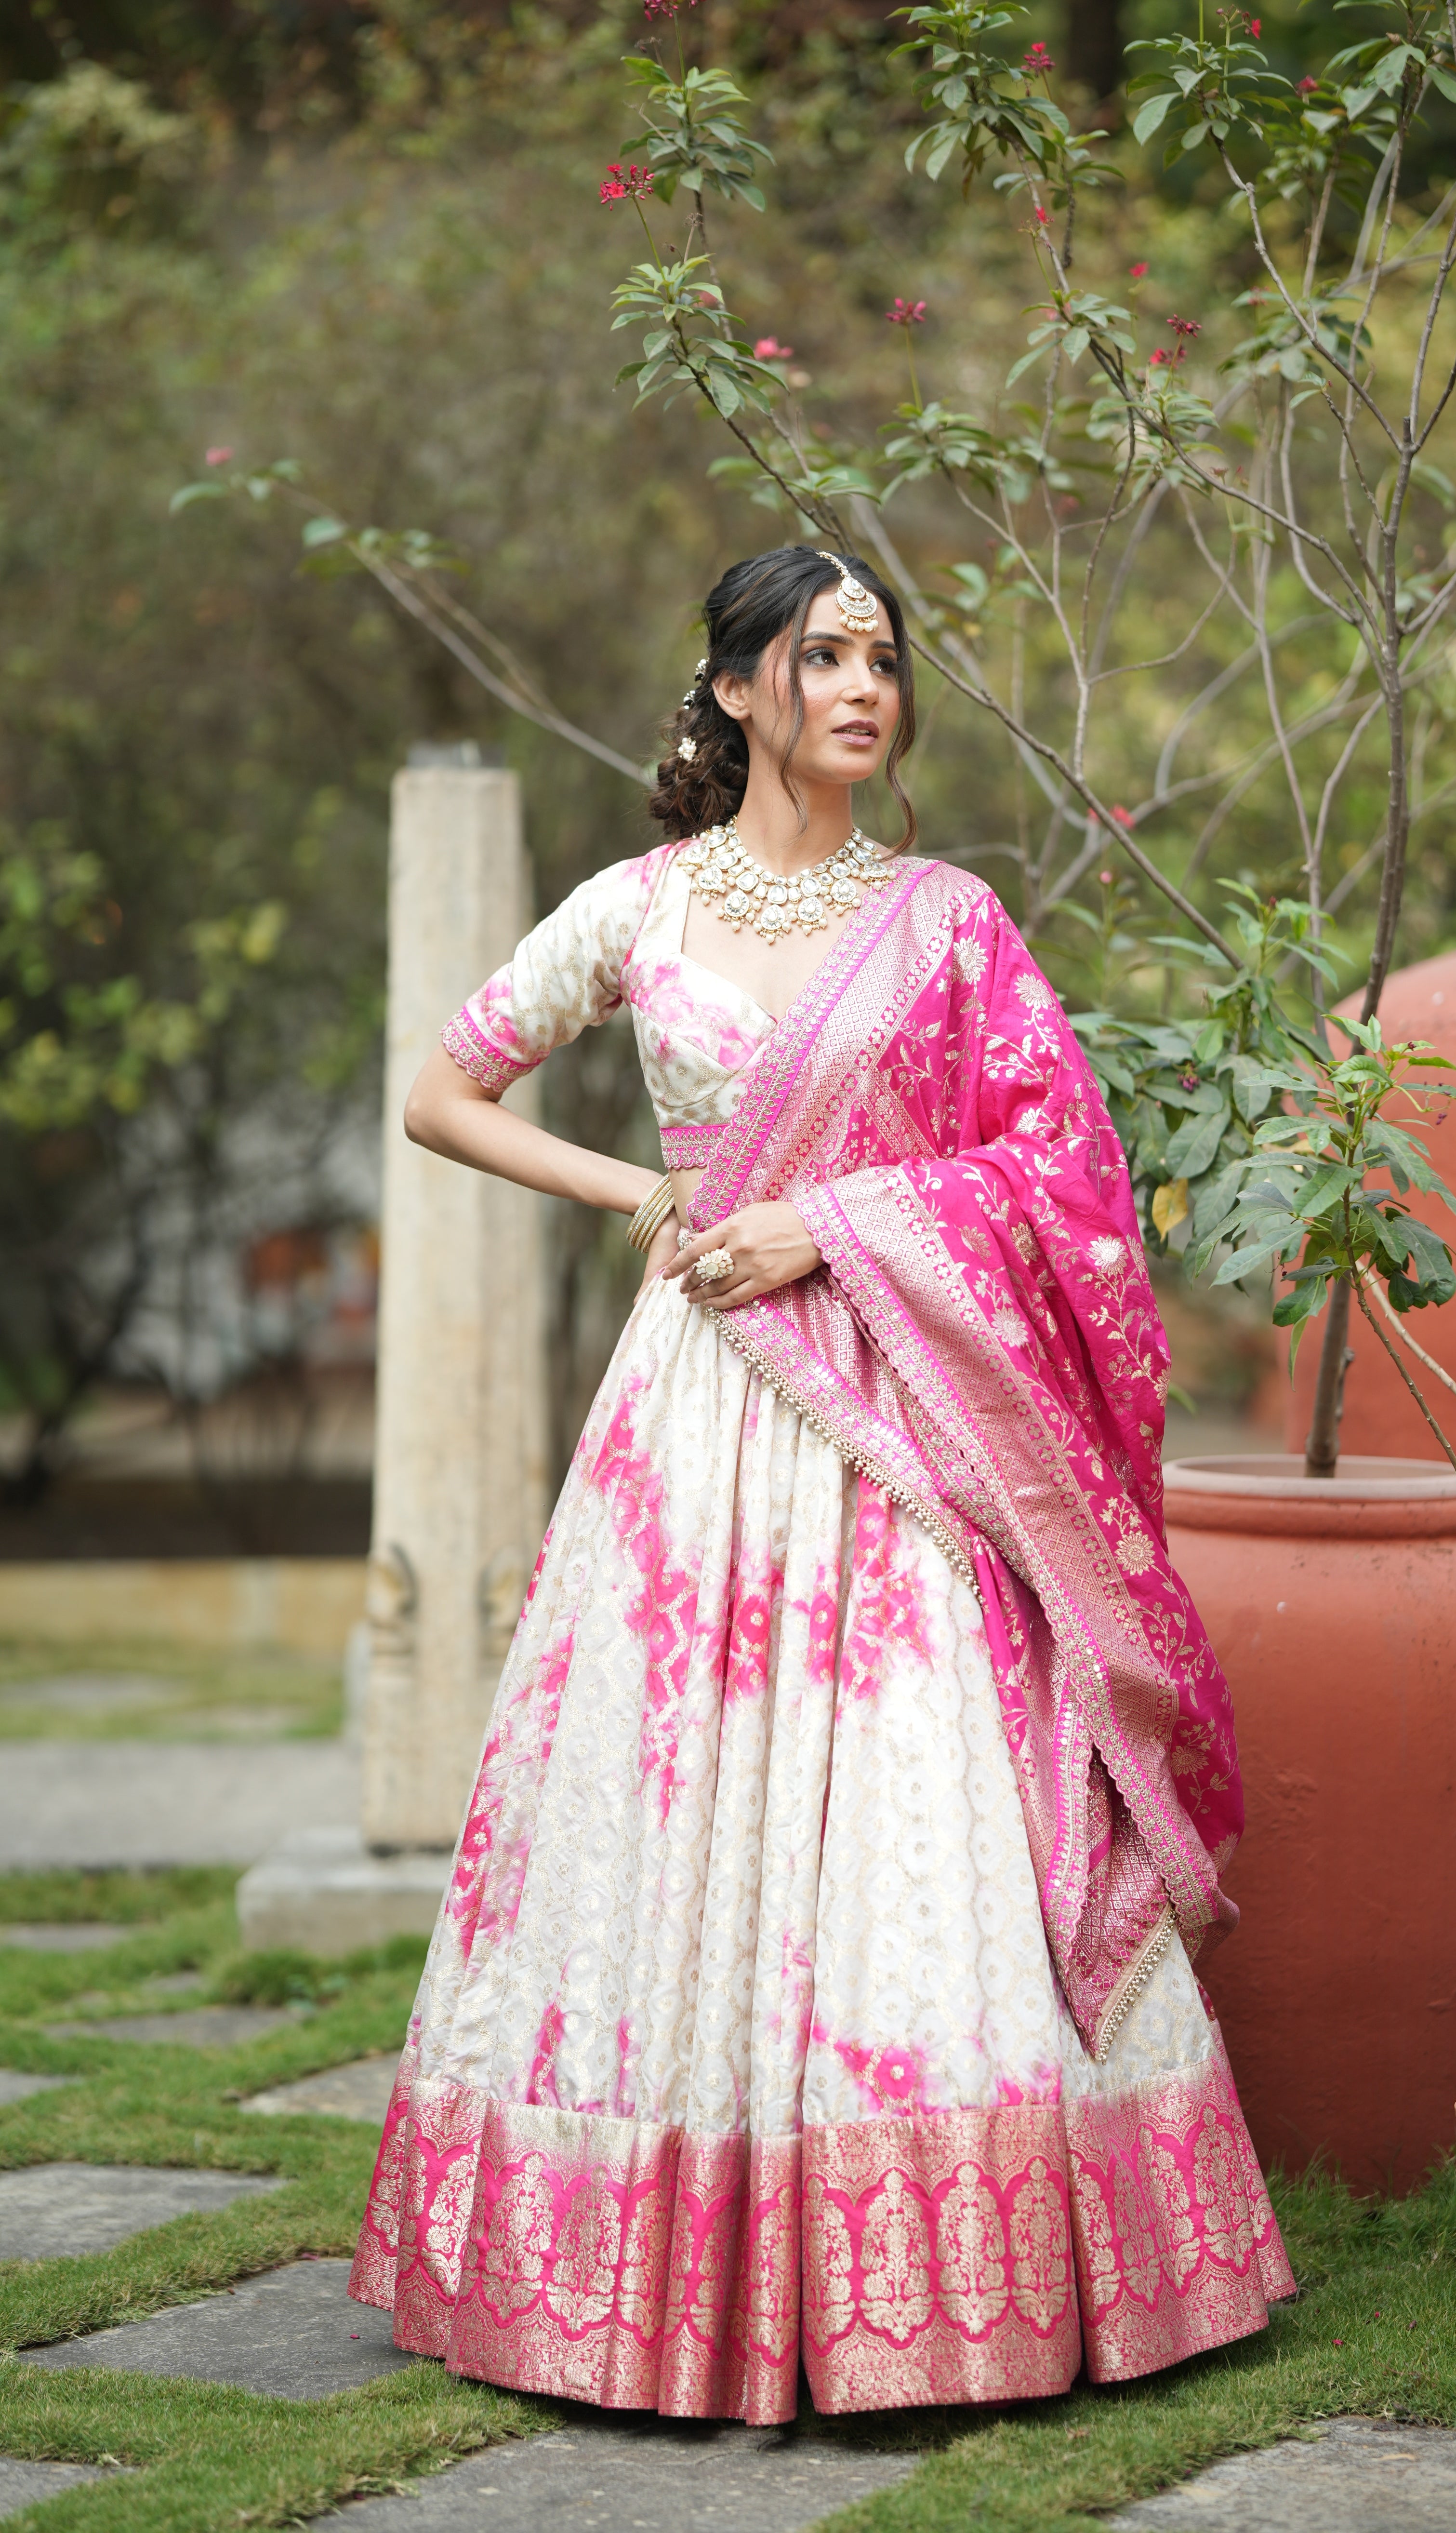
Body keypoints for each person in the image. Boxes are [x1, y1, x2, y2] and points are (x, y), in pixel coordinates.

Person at [349, 543, 1291, 2423]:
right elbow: (443, 1091)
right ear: (732, 689)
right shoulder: (640, 909)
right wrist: (654, 1196)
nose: (863, 688)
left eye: (882, 657)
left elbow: (1063, 1166)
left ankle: (965, 2280)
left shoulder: (948, 923)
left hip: (909, 1427)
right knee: (660, 1801)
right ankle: (641, 2273)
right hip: (694, 1425)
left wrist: (834, 1224)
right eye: (821, 655)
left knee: (919, 1810)